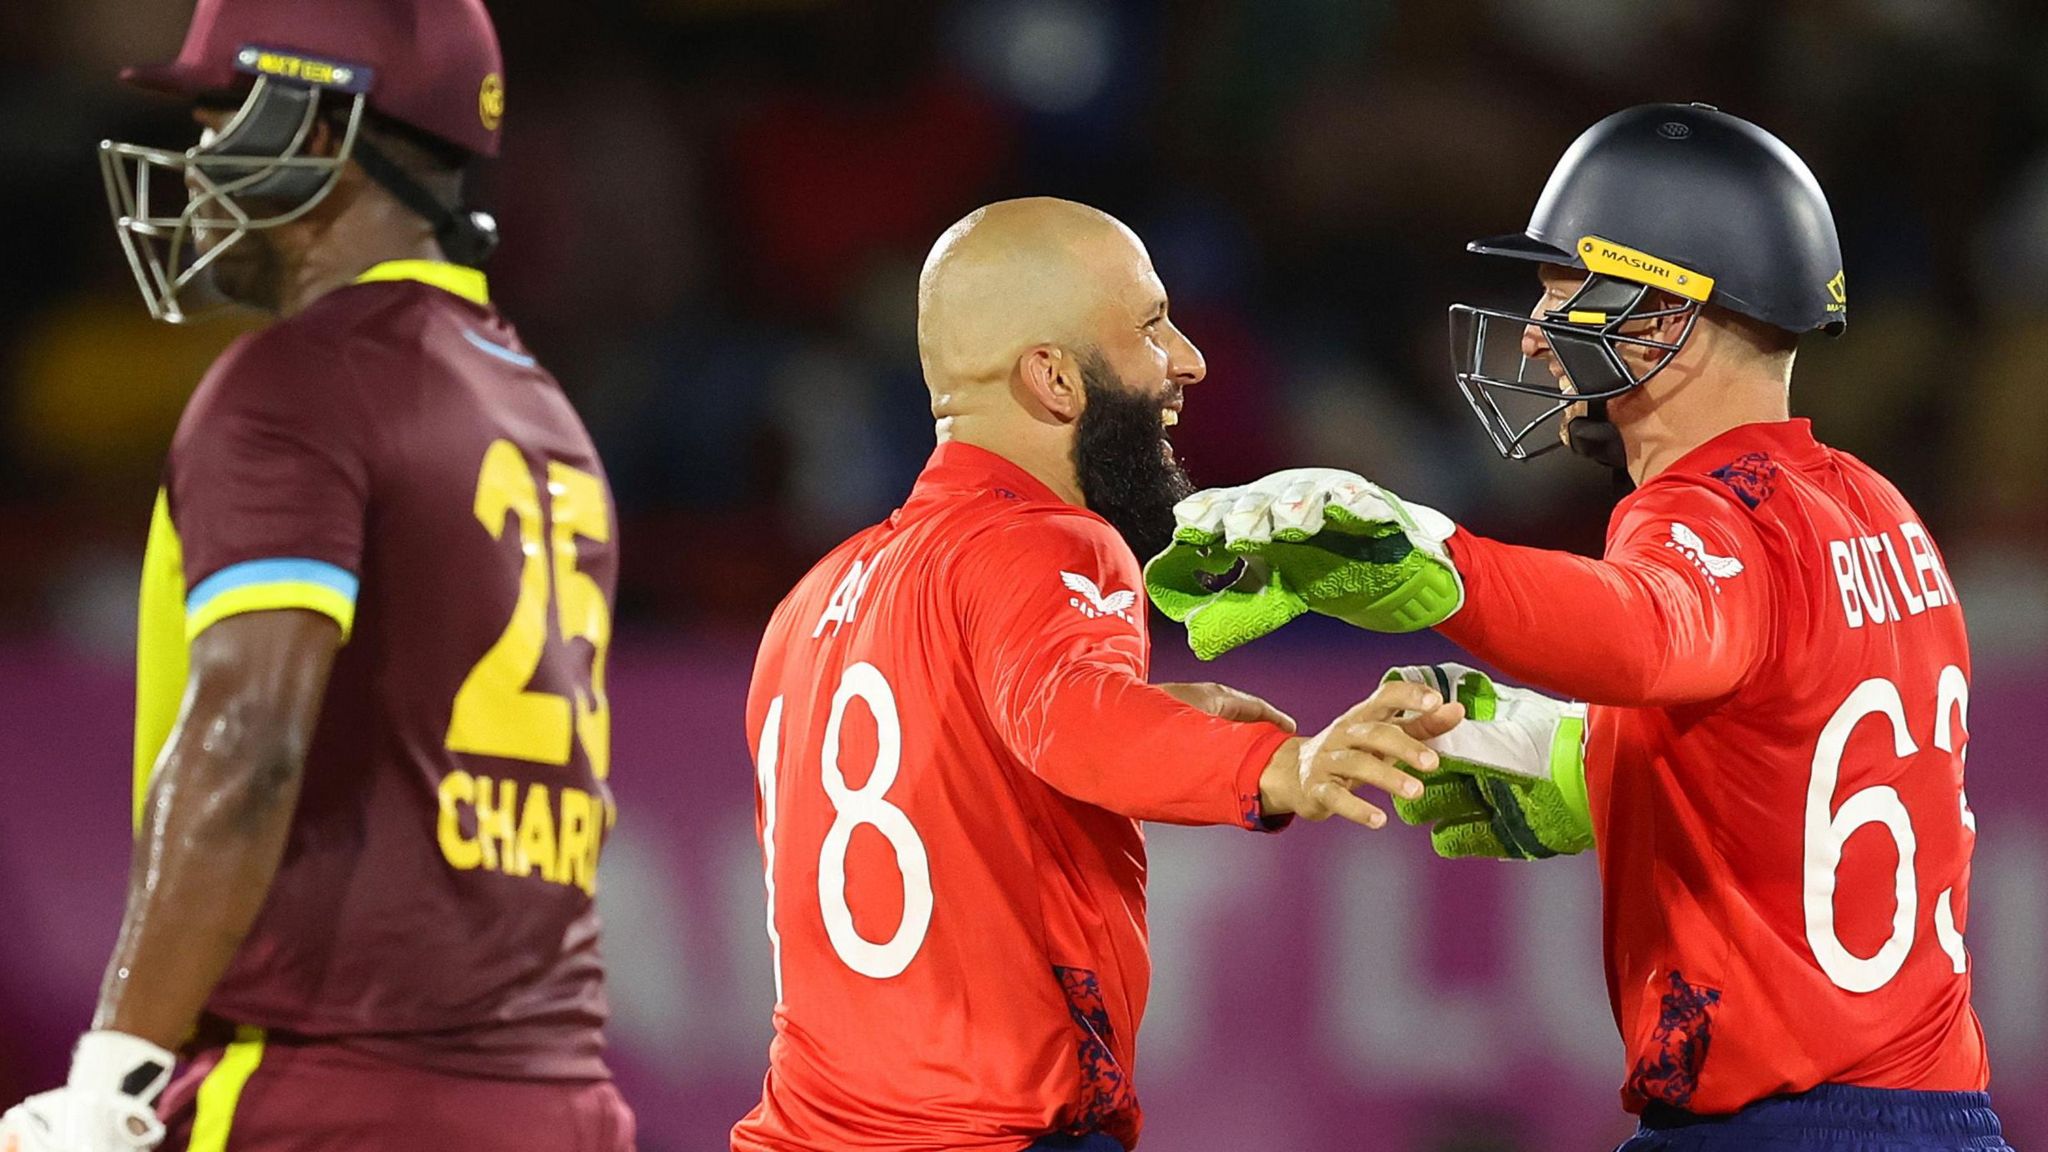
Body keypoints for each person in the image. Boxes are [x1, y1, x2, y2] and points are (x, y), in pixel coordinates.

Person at [1148, 104, 2010, 1150]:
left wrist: (1431, 565)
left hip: (1775, 1127)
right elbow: (1782, 746)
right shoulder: (1874, 508)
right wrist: (1591, 765)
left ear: (1671, 312)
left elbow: (1649, 630)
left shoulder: (1700, 510)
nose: (1531, 332)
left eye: (1567, 291)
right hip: (1935, 1118)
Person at [0, 3, 633, 1150]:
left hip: (325, 1092)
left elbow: (249, 740)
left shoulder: (295, 379)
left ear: (324, 119)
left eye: (222, 115)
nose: (195, 163)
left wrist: (115, 1078)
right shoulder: (543, 408)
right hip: (558, 1100)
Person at [735, 197, 1464, 1152]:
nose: (1189, 359)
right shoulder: (1050, 543)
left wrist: (1147, 708)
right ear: (1054, 379)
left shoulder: (813, 600)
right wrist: (1283, 766)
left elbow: (954, 763)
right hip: (989, 1134)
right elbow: (1068, 718)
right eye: (1152, 325)